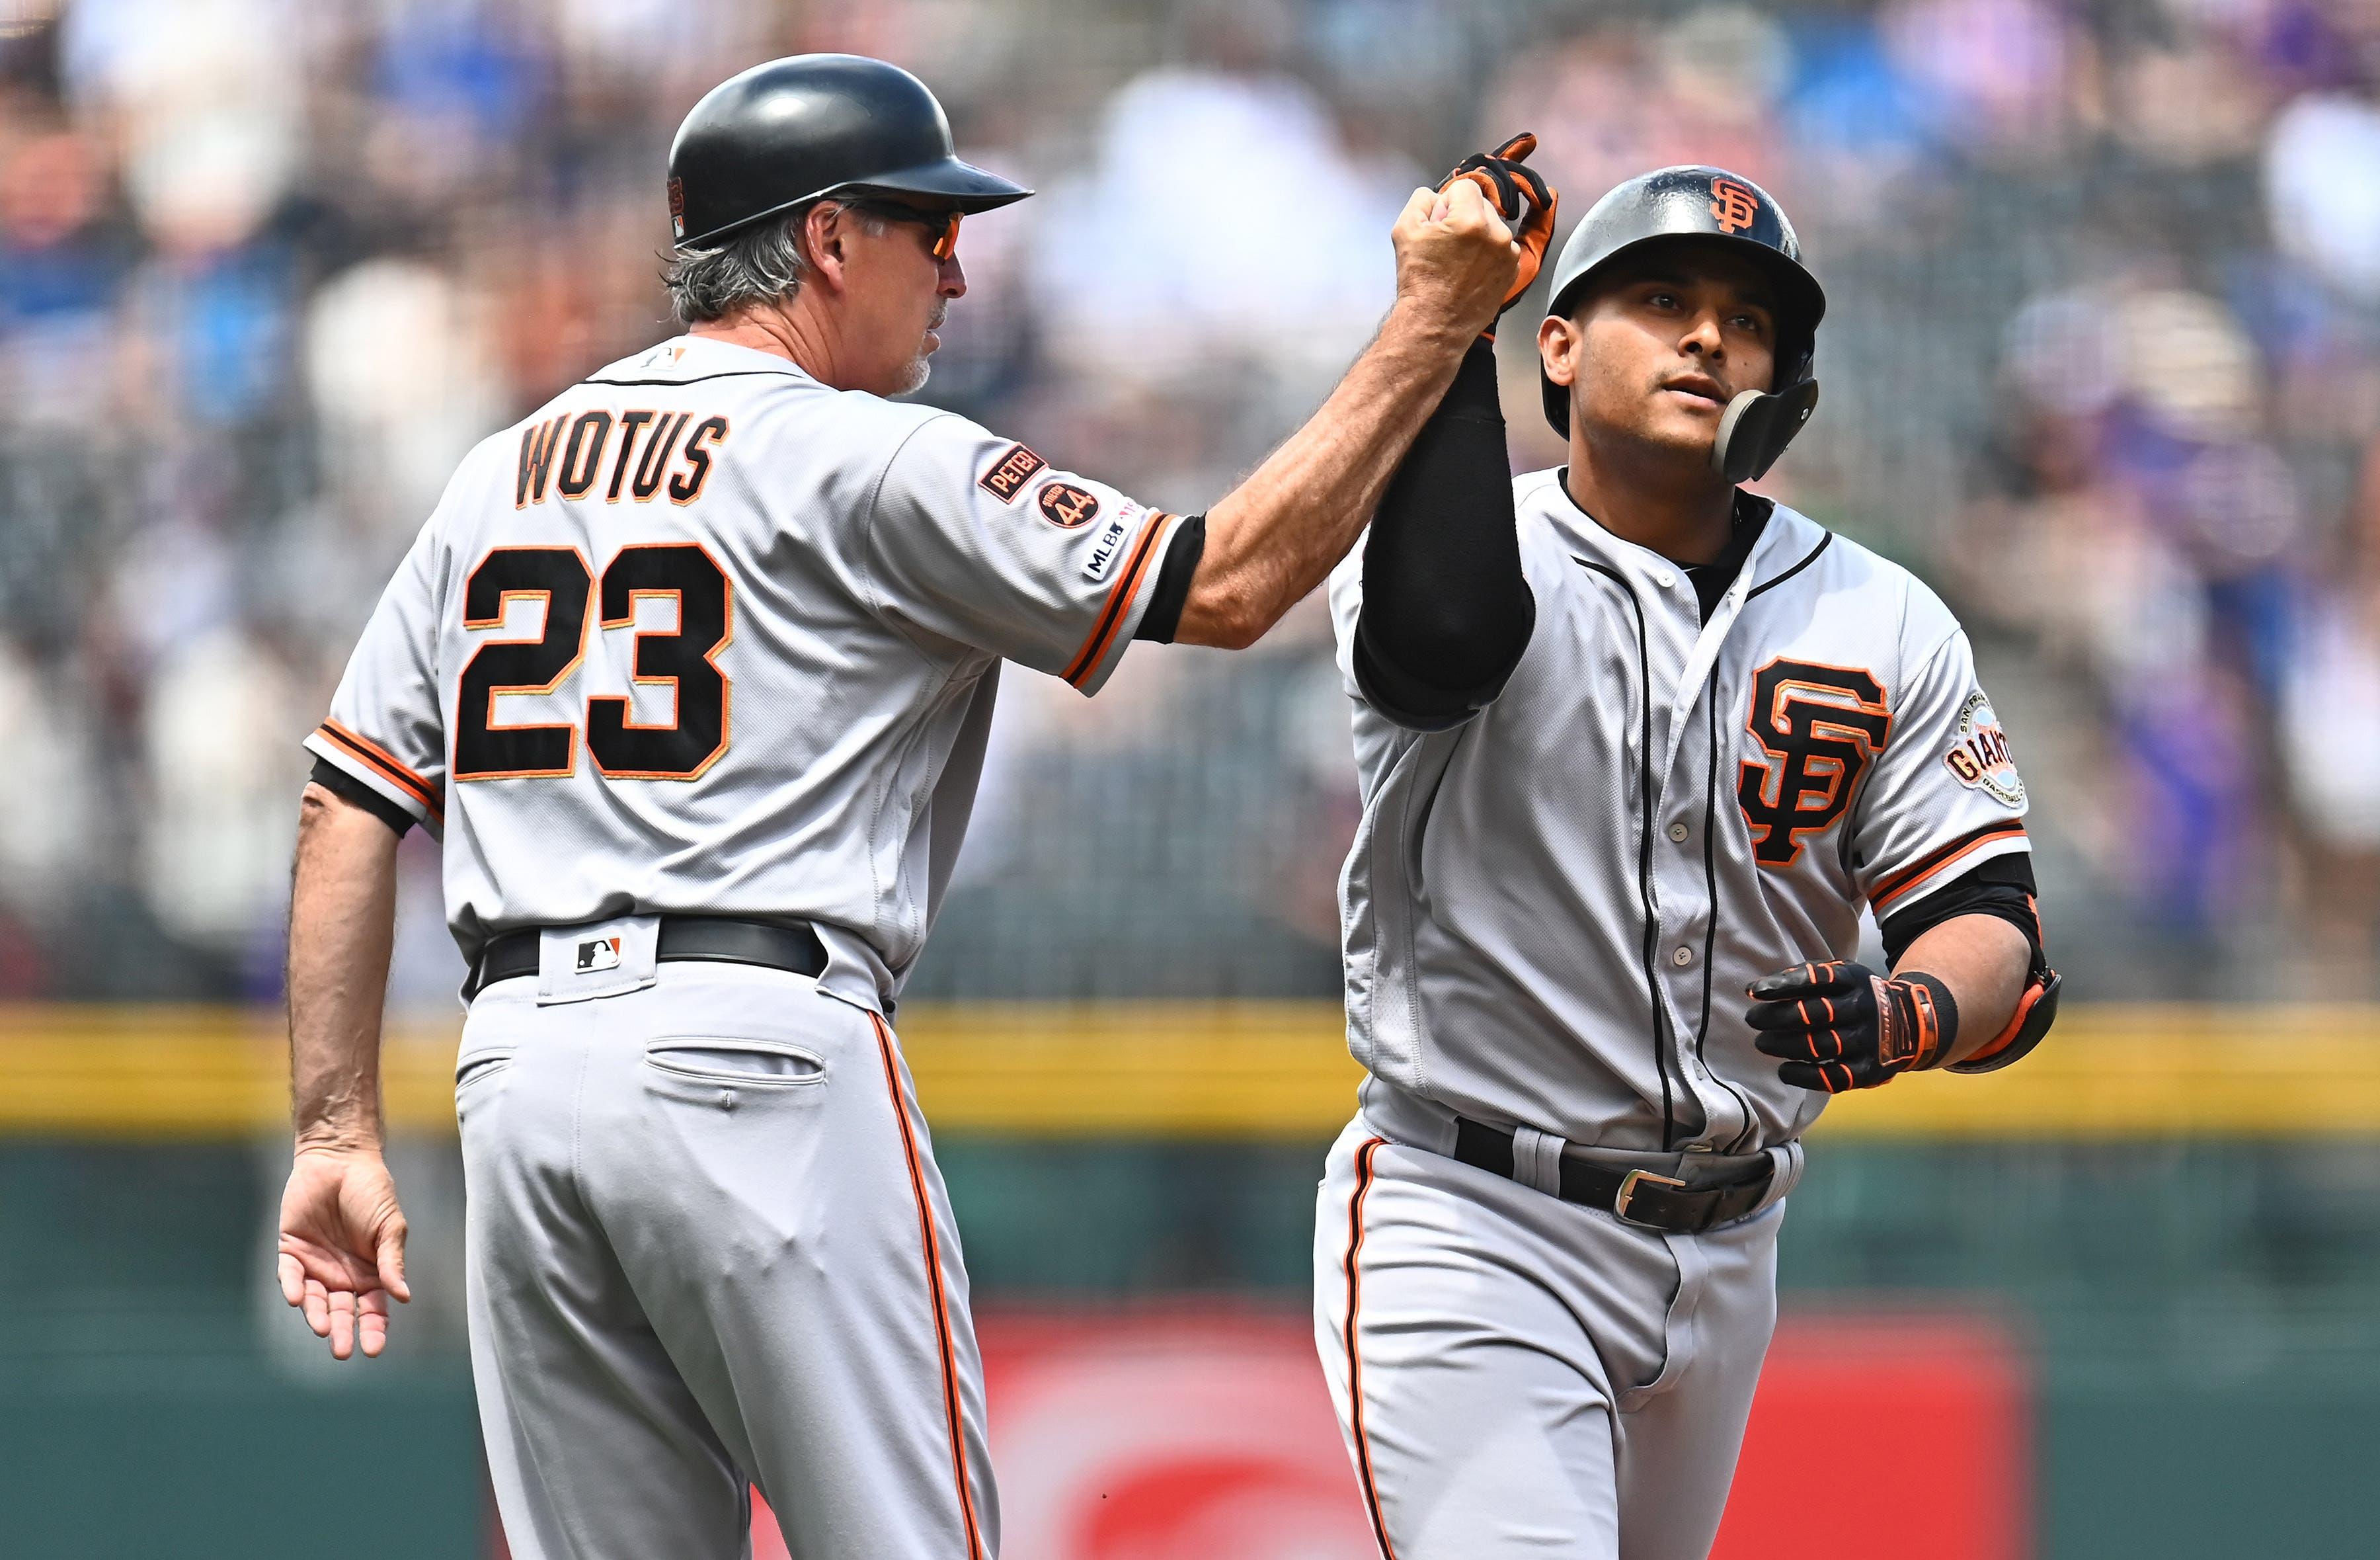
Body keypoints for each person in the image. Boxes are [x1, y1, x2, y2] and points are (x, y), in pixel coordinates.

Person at [270, 53, 1548, 1560]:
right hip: (758, 1049)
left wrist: (336, 1126)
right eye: (923, 228)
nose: (954, 267)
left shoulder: (501, 473)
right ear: (825, 241)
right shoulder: (866, 454)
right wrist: (1433, 320)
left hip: (518, 1077)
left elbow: (348, 801)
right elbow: (1230, 584)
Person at [1311, 163, 2061, 1558]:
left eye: (1749, 320)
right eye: (1662, 299)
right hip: (1474, 1214)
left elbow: (1994, 932)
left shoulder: (1881, 616)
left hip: (1732, 1245)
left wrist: (1914, 1009)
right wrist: (1452, 322)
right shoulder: (1456, 536)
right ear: (1557, 344)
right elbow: (1443, 642)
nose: (1711, 338)